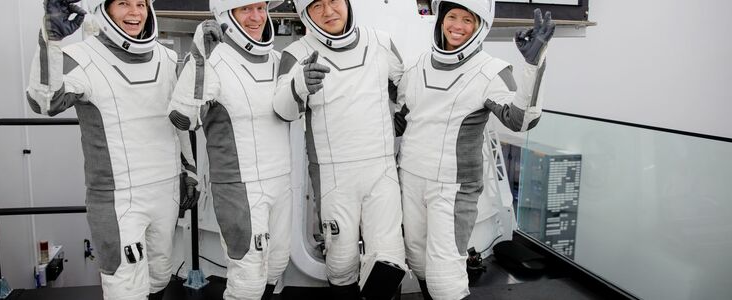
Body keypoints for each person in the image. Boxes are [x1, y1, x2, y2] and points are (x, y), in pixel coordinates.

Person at [25, 1, 198, 299]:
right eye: (123, 4)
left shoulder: (167, 57)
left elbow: (176, 122)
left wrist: (189, 169)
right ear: (103, 9)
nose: (134, 13)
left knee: (159, 276)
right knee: (125, 286)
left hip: (166, 190)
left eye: (140, 4)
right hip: (117, 197)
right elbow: (44, 102)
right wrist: (51, 41)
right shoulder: (80, 57)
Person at [393, 0, 555, 299]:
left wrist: (534, 64)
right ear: (441, 19)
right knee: (417, 262)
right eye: (452, 16)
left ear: (480, 26)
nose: (458, 26)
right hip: (410, 179)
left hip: (452, 188)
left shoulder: (490, 71)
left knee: (445, 277)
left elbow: (521, 120)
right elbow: (402, 117)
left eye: (468, 20)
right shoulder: (417, 65)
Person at [272, 0, 407, 298]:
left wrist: (401, 116)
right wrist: (299, 85)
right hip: (334, 177)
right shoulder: (295, 54)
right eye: (316, 5)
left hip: (380, 171)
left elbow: (406, 85)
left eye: (333, 0)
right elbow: (282, 109)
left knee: (389, 259)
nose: (328, 11)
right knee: (341, 262)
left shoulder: (380, 42)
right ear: (305, 13)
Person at [167, 1, 291, 299]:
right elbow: (182, 118)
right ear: (227, 15)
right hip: (239, 187)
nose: (256, 17)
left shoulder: (278, 59)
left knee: (275, 267)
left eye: (261, 8)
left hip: (281, 181)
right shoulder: (212, 59)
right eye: (245, 9)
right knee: (248, 280)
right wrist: (199, 59)